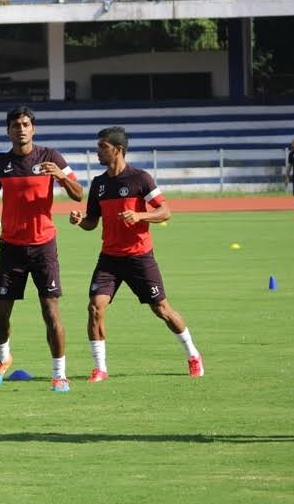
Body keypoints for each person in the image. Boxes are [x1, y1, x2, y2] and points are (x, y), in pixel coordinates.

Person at [69, 126, 204, 381]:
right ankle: (100, 368)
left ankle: (194, 355)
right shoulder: (99, 184)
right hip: (109, 258)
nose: (98, 152)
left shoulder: (140, 179)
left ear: (118, 150)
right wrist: (80, 221)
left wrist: (140, 215)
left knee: (162, 309)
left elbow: (165, 211)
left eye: (103, 147)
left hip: (139, 257)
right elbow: (92, 222)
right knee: (95, 307)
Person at [0, 106, 83, 393]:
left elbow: (78, 194)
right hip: (11, 248)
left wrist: (61, 176)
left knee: (51, 312)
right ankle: (2, 359)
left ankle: (59, 374)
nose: (21, 129)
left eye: (25, 124)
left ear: (33, 128)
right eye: (16, 125)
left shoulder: (51, 157)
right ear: (8, 131)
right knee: (0, 314)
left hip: (43, 247)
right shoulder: (0, 162)